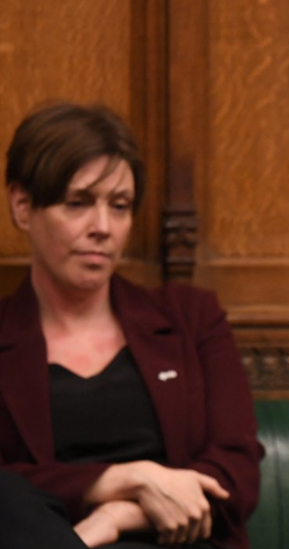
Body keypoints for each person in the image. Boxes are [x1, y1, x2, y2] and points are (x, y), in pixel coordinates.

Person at [0, 102, 263, 548]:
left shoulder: (190, 318)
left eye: (119, 206)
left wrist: (120, 514)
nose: (102, 227)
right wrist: (121, 478)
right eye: (78, 203)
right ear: (23, 207)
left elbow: (236, 472)